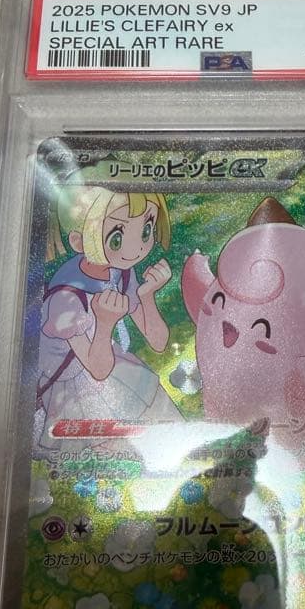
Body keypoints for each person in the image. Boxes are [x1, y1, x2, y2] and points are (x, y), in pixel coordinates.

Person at [36, 186, 182, 449]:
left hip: (107, 361)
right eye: (117, 238)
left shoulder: (121, 271)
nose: (135, 249)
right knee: (119, 448)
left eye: (146, 231)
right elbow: (98, 370)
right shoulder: (65, 298)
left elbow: (158, 342)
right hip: (74, 387)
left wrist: (147, 296)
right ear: (79, 242)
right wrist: (104, 324)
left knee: (165, 419)